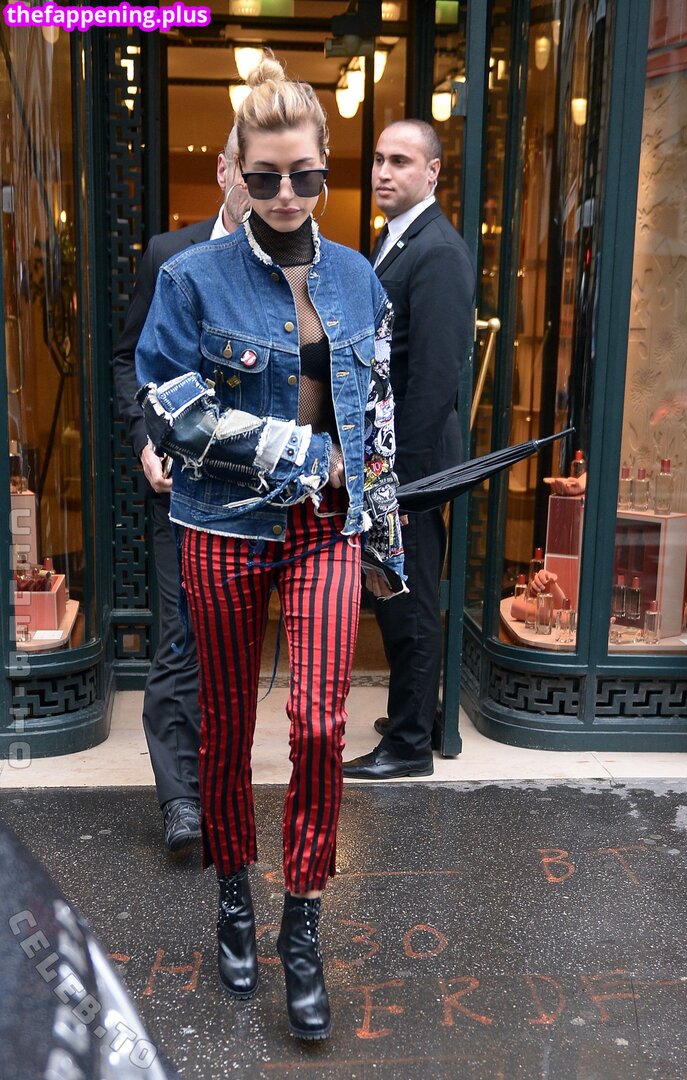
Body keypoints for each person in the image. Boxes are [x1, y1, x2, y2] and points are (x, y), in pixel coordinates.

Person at [134, 54, 404, 1041]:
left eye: (305, 175)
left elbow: (376, 421)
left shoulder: (361, 277)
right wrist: (299, 449)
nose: (286, 194)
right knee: (225, 726)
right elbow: (171, 409)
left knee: (322, 726)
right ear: (236, 171)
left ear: (326, 165)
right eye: (265, 176)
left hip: (325, 531)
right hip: (221, 524)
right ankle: (232, 898)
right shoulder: (191, 277)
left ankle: (301, 920)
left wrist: (384, 537)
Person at [112, 128, 249, 854]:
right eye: (253, 169)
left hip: (252, 492)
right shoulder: (170, 254)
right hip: (178, 487)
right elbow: (126, 361)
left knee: (232, 643)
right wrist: (144, 441)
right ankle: (180, 800)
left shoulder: (292, 266)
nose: (268, 187)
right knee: (180, 636)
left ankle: (220, 783)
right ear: (224, 170)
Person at [343, 119, 475, 781]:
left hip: (410, 465)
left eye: (400, 160)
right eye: (378, 159)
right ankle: (412, 716)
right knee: (394, 596)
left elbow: (433, 375)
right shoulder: (394, 238)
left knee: (410, 600)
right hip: (387, 460)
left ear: (432, 172)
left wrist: (402, 482)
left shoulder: (439, 251)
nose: (384, 172)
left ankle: (409, 746)